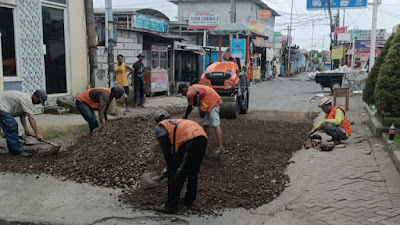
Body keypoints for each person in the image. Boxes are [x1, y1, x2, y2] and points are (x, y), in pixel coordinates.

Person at [153, 109, 207, 214]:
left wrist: (170, 168)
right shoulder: (177, 124)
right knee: (193, 170)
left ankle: (171, 206)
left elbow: (167, 152)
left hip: (191, 139)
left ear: (158, 120)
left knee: (177, 174)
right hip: (201, 136)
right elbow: (178, 154)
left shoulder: (161, 127)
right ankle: (189, 199)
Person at [178, 83, 224, 154]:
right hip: (208, 103)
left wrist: (185, 116)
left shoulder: (190, 94)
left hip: (214, 102)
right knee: (205, 124)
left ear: (184, 89)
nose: (182, 94)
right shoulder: (192, 88)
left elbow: (190, 107)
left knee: (215, 125)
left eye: (181, 92)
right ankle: (204, 144)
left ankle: (220, 147)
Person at [0, 90, 48, 157]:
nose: (39, 103)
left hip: (3, 106)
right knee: (12, 126)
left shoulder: (26, 100)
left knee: (10, 126)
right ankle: (16, 151)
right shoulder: (27, 99)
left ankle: (13, 149)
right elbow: (31, 118)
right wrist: (37, 134)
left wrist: (26, 129)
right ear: (35, 96)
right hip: (1, 106)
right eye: (39, 101)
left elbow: (22, 115)